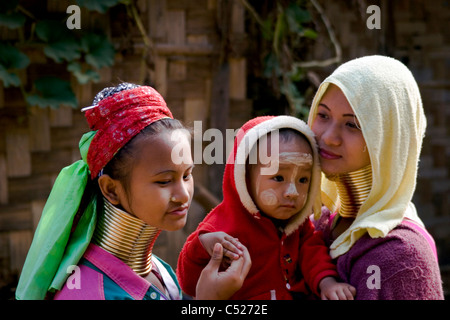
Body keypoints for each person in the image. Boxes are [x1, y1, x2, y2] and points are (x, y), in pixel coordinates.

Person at [15, 83, 251, 300]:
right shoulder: (89, 292)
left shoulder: (158, 271)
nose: (184, 195)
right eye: (164, 181)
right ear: (111, 190)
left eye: (187, 175)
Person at [308, 55, 444, 300]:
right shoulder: (320, 224)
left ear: (389, 138)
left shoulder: (399, 257)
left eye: (352, 125)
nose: (328, 137)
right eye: (323, 115)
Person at [177, 115, 356, 300]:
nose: (292, 192)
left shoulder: (298, 226)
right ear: (245, 177)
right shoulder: (221, 230)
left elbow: (312, 254)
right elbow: (188, 283)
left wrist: (327, 283)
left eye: (303, 180)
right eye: (279, 178)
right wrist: (201, 246)